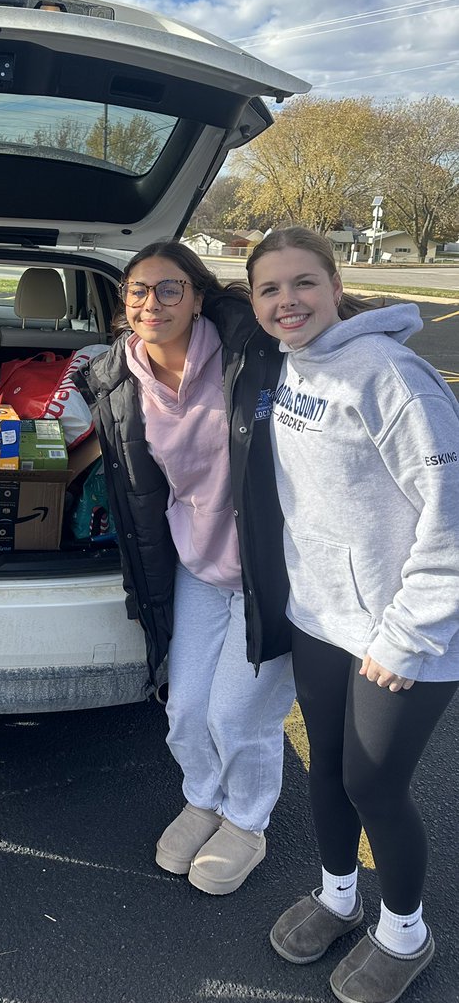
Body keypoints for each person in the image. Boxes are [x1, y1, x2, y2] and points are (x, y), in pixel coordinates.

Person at [247, 227, 459, 1003]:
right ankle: (340, 896)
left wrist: (409, 636)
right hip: (322, 618)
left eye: (303, 283)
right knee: (329, 771)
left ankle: (406, 934)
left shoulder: (392, 376)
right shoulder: (292, 362)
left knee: (375, 786)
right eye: (269, 289)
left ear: (336, 284)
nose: (287, 301)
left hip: (402, 631)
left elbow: (452, 514)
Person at [76, 241, 295, 895]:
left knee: (238, 715)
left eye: (170, 289)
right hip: (197, 563)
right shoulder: (118, 378)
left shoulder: (251, 355)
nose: (153, 304)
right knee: (185, 707)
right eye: (139, 292)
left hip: (271, 568)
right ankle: (202, 799)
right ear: (125, 306)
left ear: (199, 297)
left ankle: (246, 821)